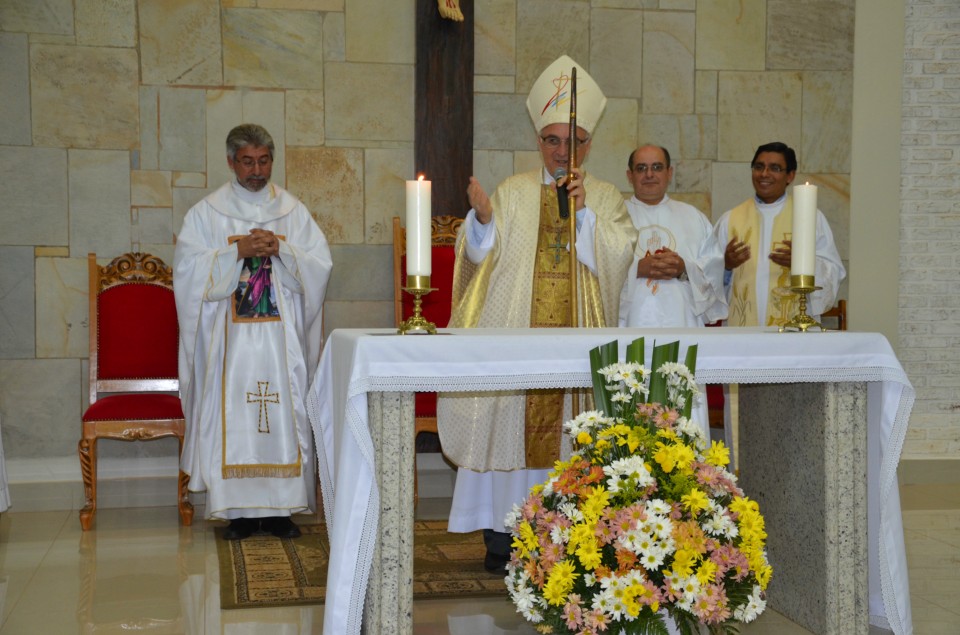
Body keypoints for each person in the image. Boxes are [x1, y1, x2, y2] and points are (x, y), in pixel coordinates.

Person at [436, 55, 636, 573]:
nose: (562, 150)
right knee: (510, 429)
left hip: (573, 349)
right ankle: (502, 539)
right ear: (539, 141)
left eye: (572, 141)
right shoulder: (512, 191)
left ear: (588, 144)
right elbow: (478, 260)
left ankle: (570, 540)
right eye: (552, 140)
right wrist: (481, 222)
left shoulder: (607, 197)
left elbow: (617, 256)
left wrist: (585, 212)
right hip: (517, 344)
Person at [174, 124, 333, 541]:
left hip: (280, 343)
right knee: (234, 417)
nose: (257, 170)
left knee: (286, 413)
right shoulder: (207, 213)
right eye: (248, 161)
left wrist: (283, 249)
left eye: (263, 161)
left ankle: (282, 511)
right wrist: (235, 252)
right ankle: (238, 512)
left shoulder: (293, 212)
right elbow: (188, 273)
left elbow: (319, 266)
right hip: (231, 345)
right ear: (231, 162)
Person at [713, 141, 845, 327]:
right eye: (759, 167)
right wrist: (725, 266)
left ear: (790, 175)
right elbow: (707, 279)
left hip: (793, 331)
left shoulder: (810, 217)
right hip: (742, 331)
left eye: (774, 168)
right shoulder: (730, 219)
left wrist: (802, 263)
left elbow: (833, 271)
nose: (764, 174)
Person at [618, 144, 726, 328]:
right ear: (630, 176)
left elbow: (713, 273)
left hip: (682, 322)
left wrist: (684, 269)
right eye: (641, 168)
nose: (649, 174)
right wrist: (637, 269)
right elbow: (598, 273)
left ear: (669, 173)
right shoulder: (615, 217)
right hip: (630, 324)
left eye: (657, 167)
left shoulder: (693, 217)